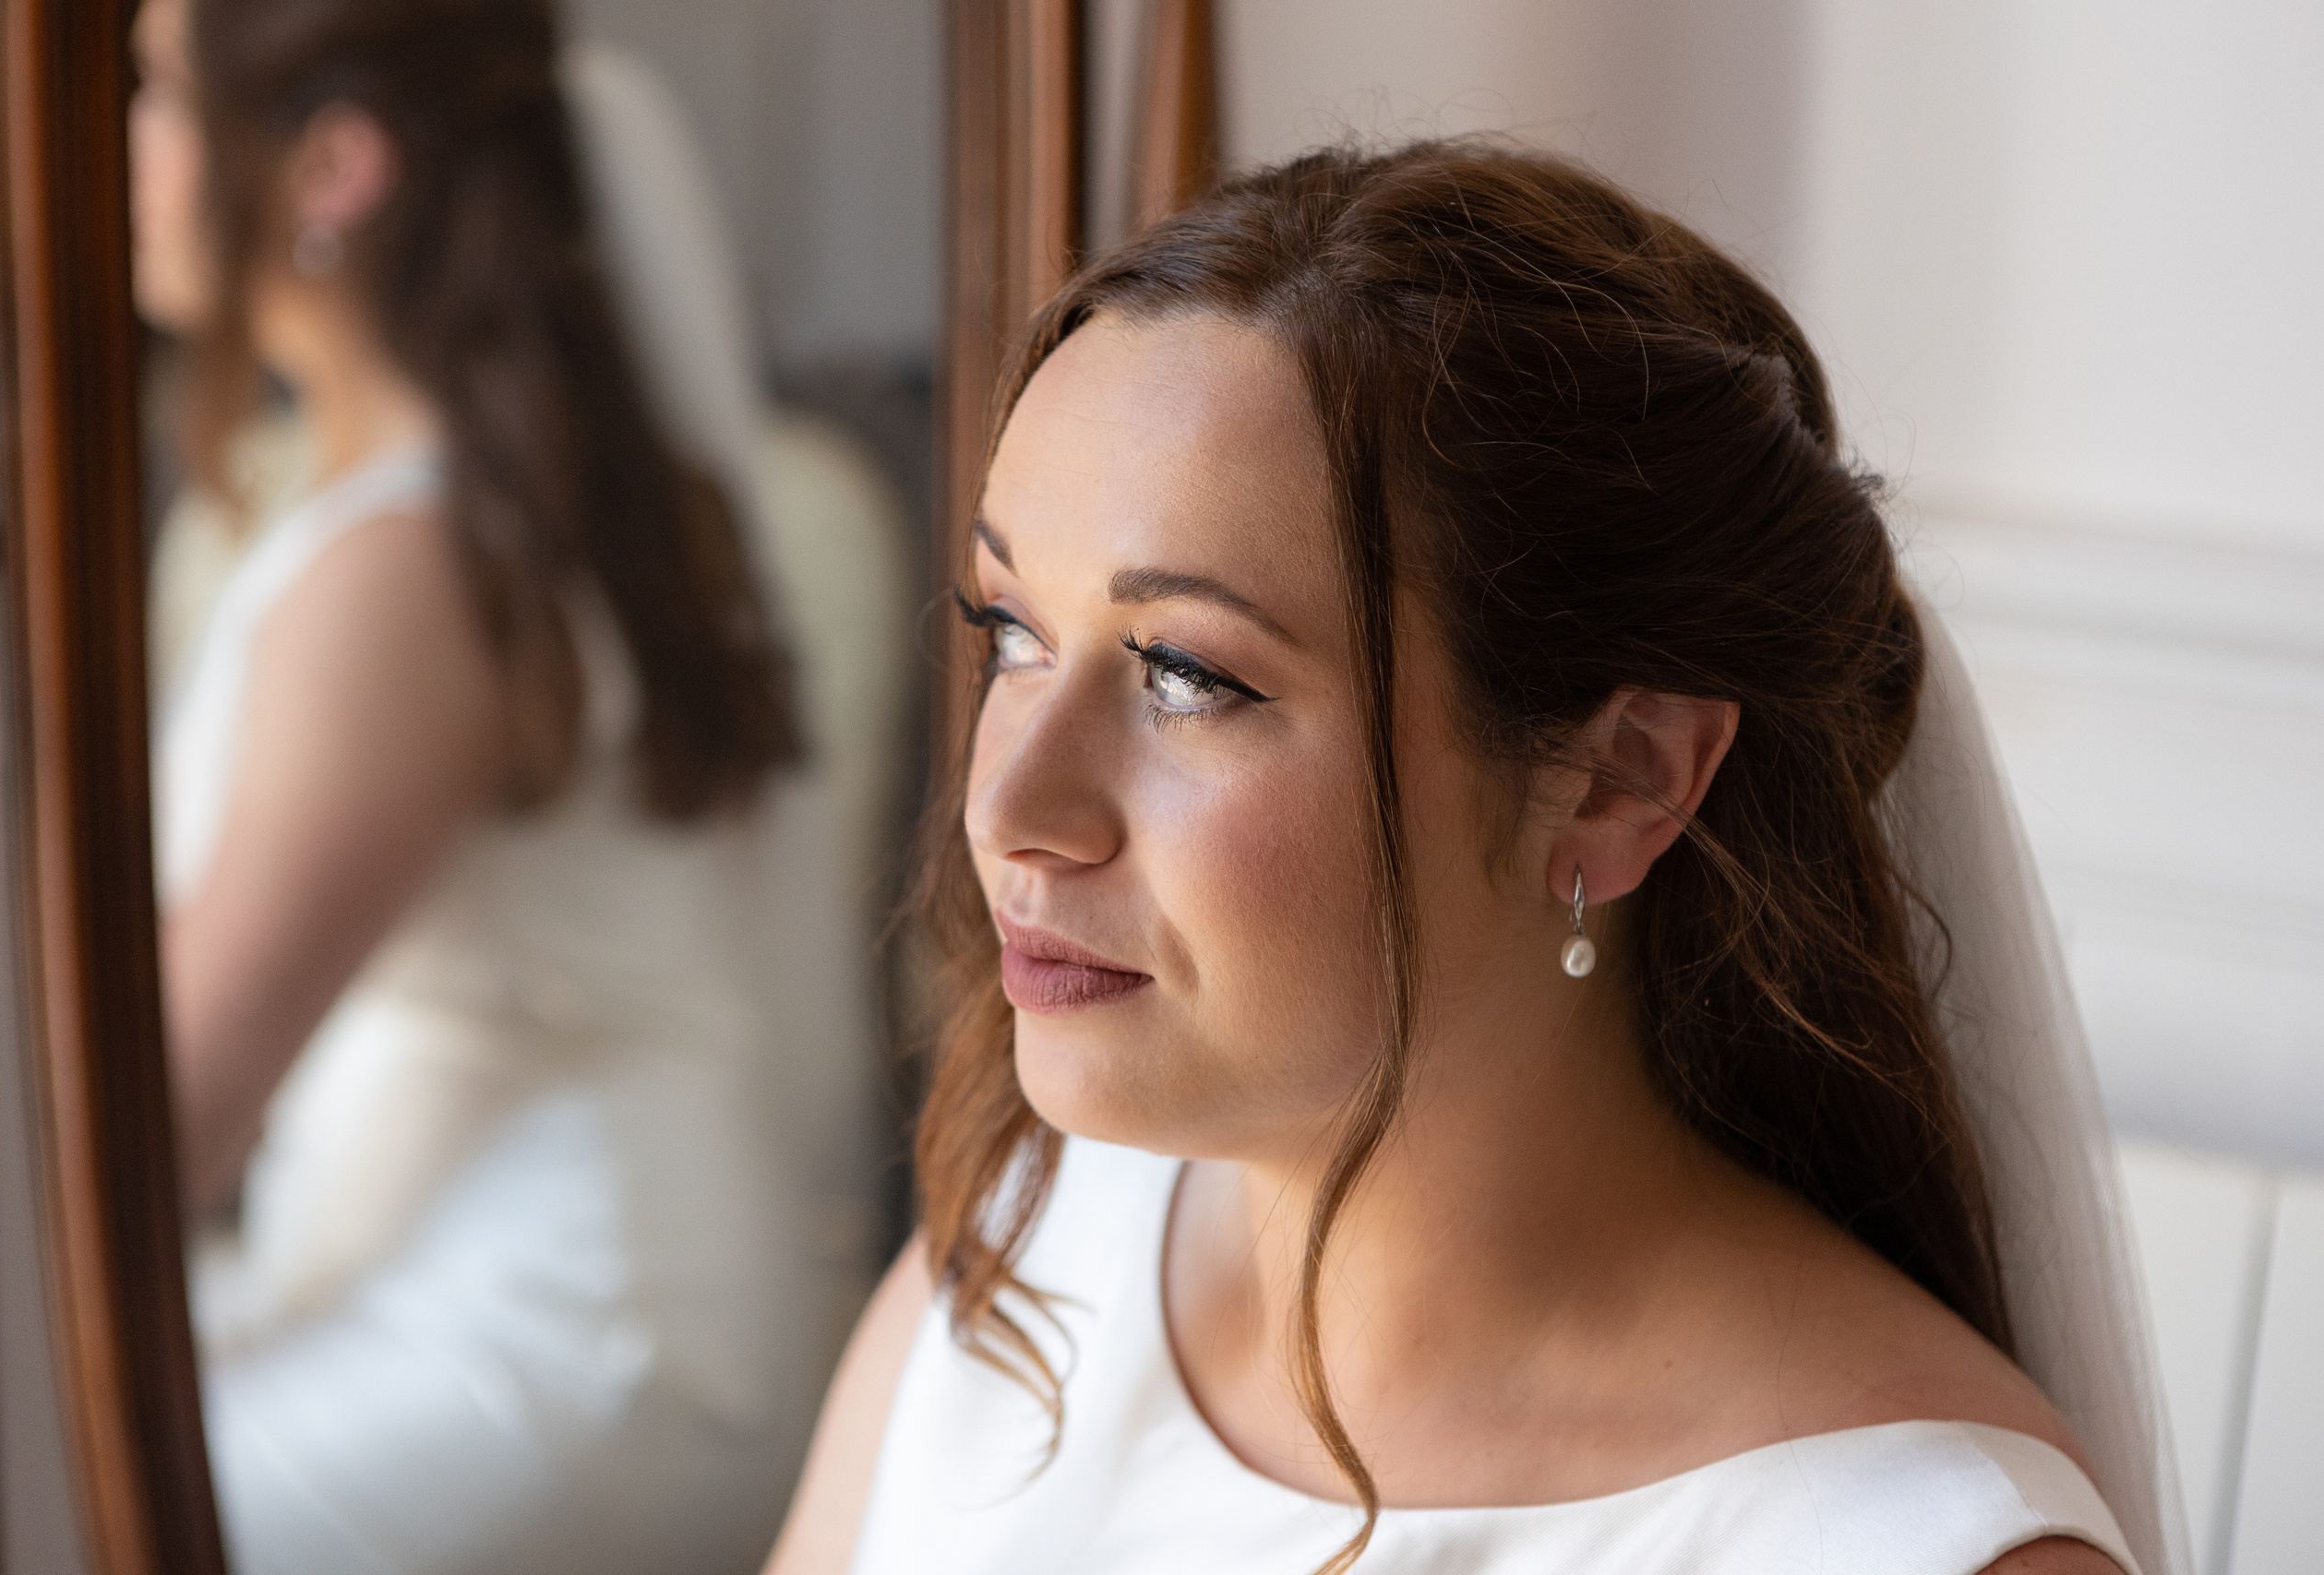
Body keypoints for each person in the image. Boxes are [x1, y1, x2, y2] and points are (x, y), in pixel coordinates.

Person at [765, 143, 2179, 1575]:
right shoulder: (1024, 1258)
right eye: (1010, 630)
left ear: (1621, 781)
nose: (1010, 804)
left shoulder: (1899, 1544)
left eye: (1187, 673)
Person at [128, 1, 873, 1569]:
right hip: (464, 1262)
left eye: (158, 98)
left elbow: (156, 1120)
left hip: (568, 1336)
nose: (132, 152)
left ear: (331, 167)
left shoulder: (403, 574)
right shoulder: (415, 510)